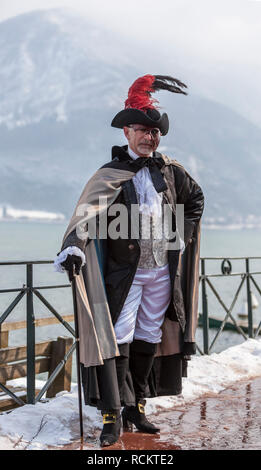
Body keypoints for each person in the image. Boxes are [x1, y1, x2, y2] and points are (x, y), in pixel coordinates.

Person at [54, 74, 204, 447]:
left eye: (154, 132)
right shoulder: (110, 175)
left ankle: (136, 406)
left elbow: (196, 200)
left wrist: (180, 237)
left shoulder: (171, 172)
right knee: (115, 338)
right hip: (124, 275)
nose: (149, 137)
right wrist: (73, 245)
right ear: (127, 132)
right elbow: (85, 216)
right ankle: (111, 414)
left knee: (148, 337)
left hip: (161, 274)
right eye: (142, 130)